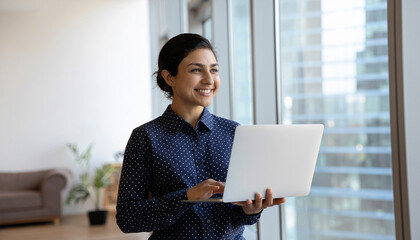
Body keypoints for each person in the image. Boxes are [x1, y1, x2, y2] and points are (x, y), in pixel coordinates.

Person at [116, 33, 286, 239]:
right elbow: (127, 218)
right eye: (196, 70)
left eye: (214, 70)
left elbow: (240, 213)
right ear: (169, 77)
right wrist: (186, 196)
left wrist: (251, 210)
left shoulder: (235, 132)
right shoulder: (145, 137)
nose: (209, 79)